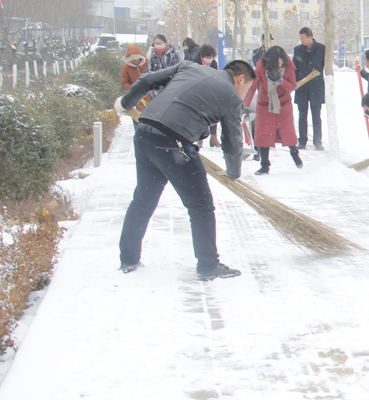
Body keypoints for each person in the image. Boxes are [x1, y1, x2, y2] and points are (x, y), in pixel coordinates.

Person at [114, 60, 256, 281]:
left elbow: (147, 79)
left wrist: (125, 102)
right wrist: (233, 172)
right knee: (201, 206)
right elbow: (232, 140)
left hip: (145, 132)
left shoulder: (189, 67)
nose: (244, 94)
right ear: (240, 79)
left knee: (143, 200)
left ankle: (128, 259)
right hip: (174, 143)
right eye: (247, 88)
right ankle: (208, 266)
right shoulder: (231, 96)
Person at [245, 45, 302, 175]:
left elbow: (292, 86)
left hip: (284, 104)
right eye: (276, 63)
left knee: (288, 133)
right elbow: (252, 87)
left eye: (280, 62)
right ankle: (264, 165)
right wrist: (246, 106)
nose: (279, 64)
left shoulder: (288, 67)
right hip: (265, 104)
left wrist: (280, 81)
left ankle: (295, 155)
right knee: (264, 135)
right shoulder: (261, 67)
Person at [292, 27, 326, 150]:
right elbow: (294, 68)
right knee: (302, 115)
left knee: (316, 114)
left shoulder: (322, 49)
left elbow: (325, 66)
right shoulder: (298, 50)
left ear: (310, 37)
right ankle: (302, 141)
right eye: (300, 38)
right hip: (301, 87)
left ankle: (317, 141)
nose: (302, 40)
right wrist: (295, 83)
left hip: (316, 87)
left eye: (303, 38)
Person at [200, 45, 222, 146]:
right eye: (207, 57)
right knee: (200, 114)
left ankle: (213, 136)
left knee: (213, 113)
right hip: (199, 90)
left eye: (211, 57)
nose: (209, 60)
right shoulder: (195, 62)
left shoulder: (213, 63)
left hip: (211, 89)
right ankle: (199, 138)